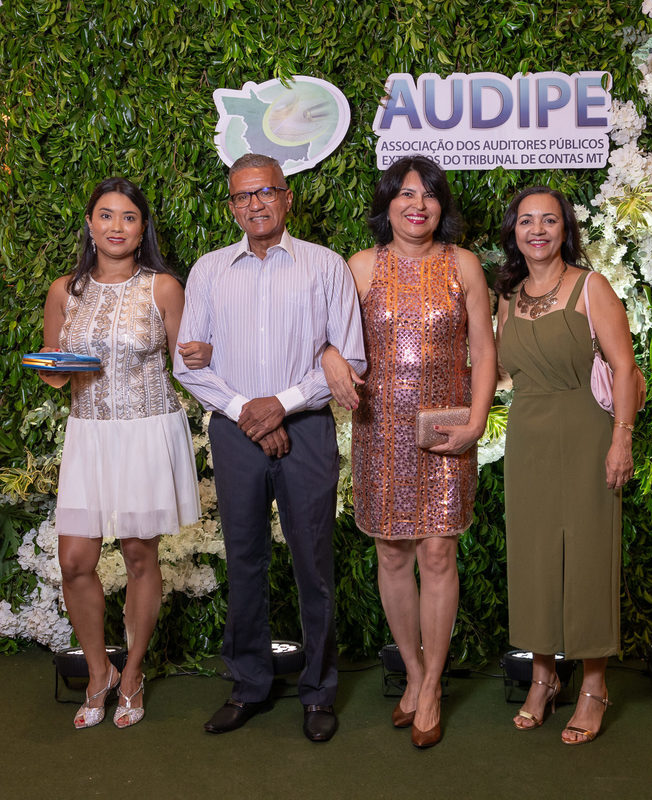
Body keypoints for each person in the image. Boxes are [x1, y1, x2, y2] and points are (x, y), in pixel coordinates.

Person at [173, 153, 366, 743]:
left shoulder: (325, 265)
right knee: (244, 558)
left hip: (306, 431)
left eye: (265, 192)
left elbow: (351, 359)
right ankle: (249, 685)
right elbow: (188, 361)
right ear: (231, 207)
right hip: (235, 431)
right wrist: (248, 413)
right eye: (242, 196)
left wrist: (280, 404)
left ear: (287, 198)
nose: (254, 204)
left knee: (314, 562)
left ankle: (319, 691)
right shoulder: (209, 271)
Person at [322, 155, 497, 748]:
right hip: (380, 430)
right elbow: (324, 336)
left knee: (439, 553)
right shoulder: (361, 266)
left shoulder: (463, 264)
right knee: (392, 553)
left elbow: (483, 350)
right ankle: (416, 675)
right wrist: (329, 357)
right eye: (405, 194)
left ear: (441, 206)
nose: (417, 205)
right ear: (387, 204)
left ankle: (432, 686)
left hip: (446, 432)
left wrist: (478, 420)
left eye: (428, 195)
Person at [38, 177, 203, 730]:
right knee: (74, 561)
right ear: (90, 224)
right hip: (89, 434)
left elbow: (188, 366)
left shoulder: (164, 287)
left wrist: (205, 354)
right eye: (106, 215)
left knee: (138, 556)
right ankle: (98, 671)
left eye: (128, 217)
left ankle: (131, 672)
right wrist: (52, 368)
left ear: (142, 228)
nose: (116, 226)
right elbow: (55, 371)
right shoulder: (65, 291)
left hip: (145, 433)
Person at [494, 186, 642, 744]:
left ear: (565, 229)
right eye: (526, 221)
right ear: (514, 232)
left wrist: (621, 440)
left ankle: (594, 686)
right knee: (532, 556)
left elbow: (625, 369)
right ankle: (543, 677)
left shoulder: (590, 287)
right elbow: (498, 372)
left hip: (587, 434)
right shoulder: (506, 298)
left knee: (587, 555)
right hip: (528, 439)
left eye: (549, 220)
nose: (537, 230)